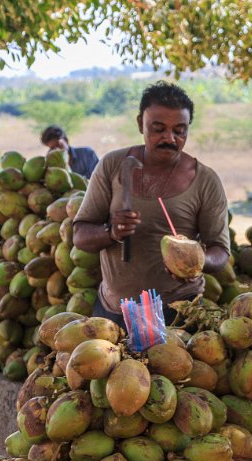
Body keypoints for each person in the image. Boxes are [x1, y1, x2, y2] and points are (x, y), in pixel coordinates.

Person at [72, 81, 230, 328]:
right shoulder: (112, 165)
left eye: (180, 130)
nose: (169, 138)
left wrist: (195, 262)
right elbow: (80, 236)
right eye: (158, 129)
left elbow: (220, 252)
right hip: (114, 312)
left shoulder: (205, 180)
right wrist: (111, 232)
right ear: (140, 124)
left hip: (178, 314)